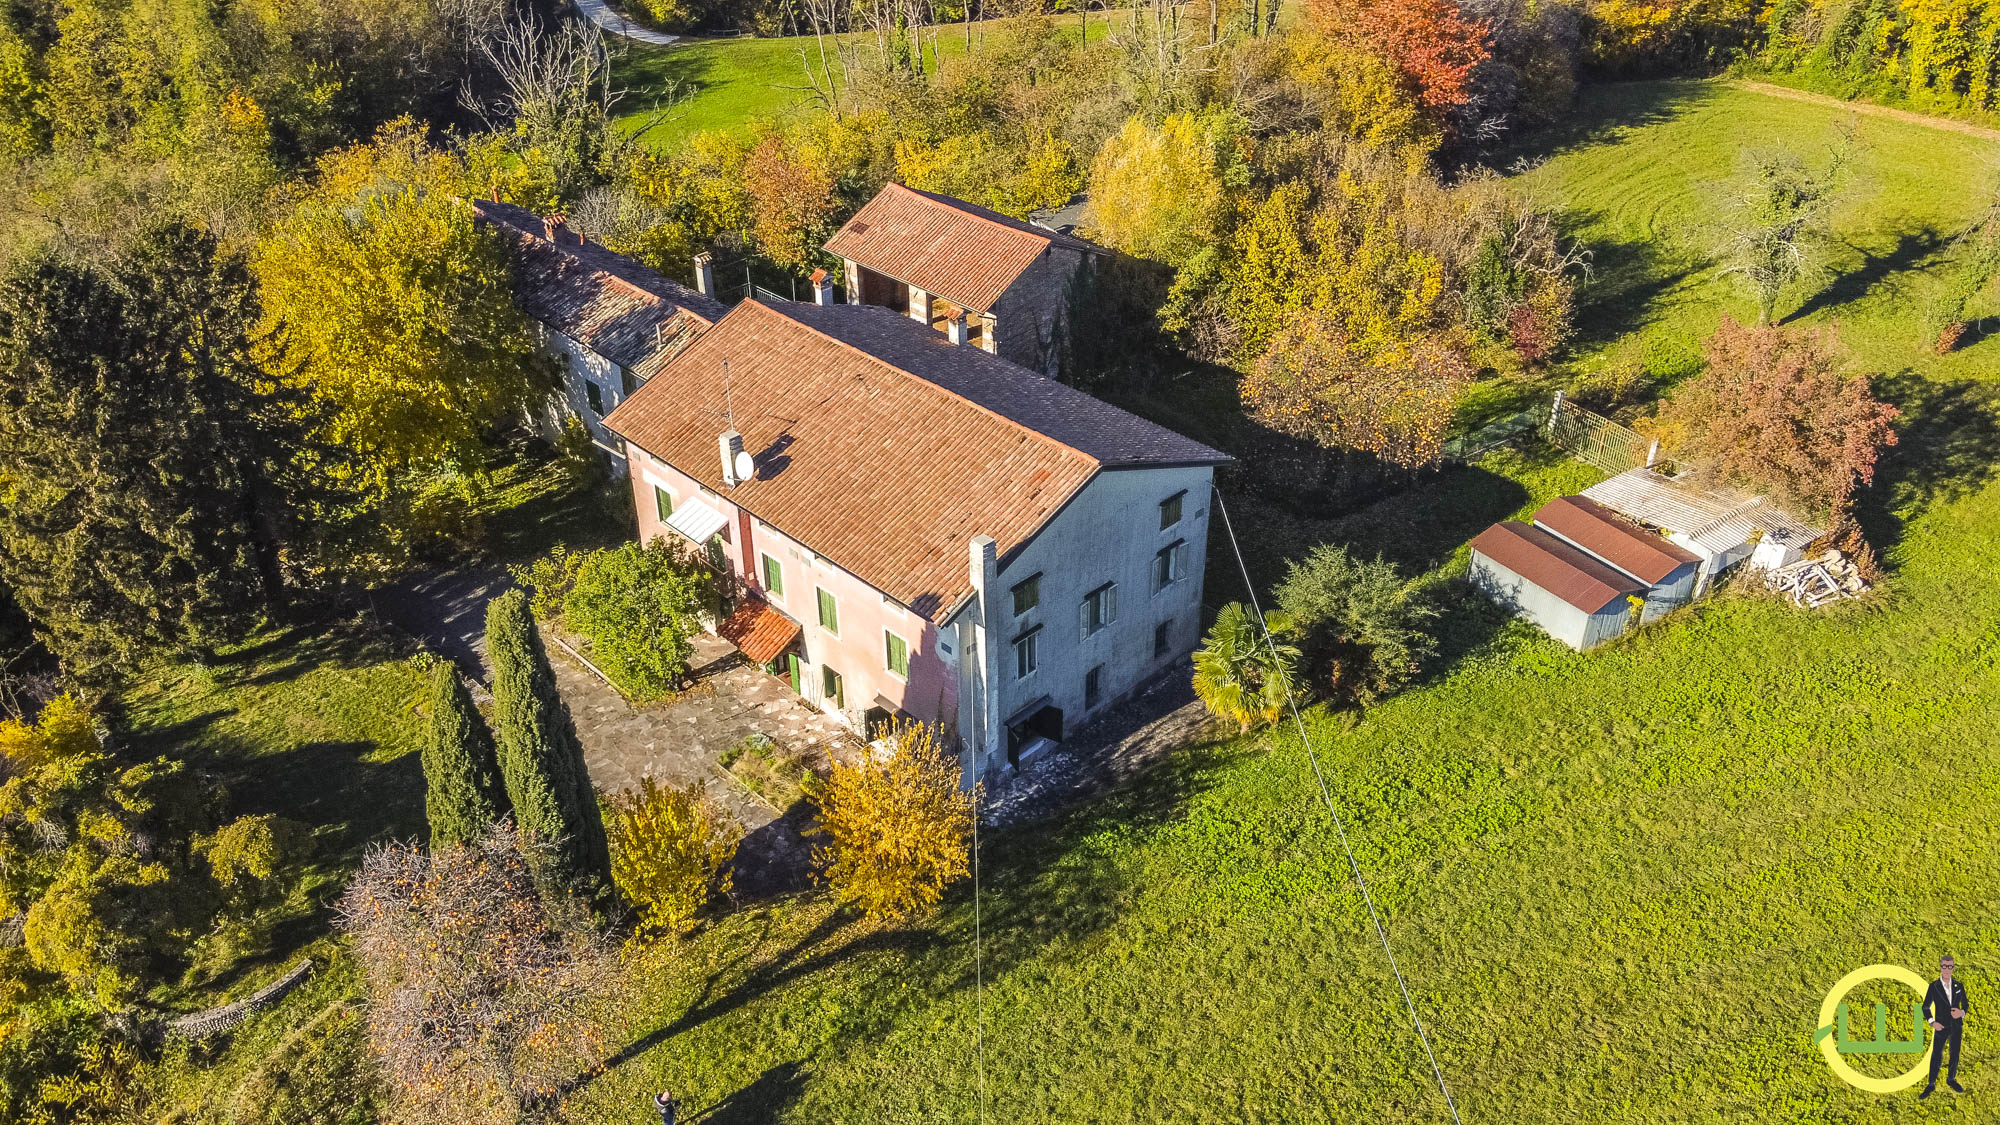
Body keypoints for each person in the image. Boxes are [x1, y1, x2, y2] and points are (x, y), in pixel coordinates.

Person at [1921, 954, 1969, 1098]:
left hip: (1956, 1025)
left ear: (1953, 968)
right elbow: (1925, 1007)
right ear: (1940, 967)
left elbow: (1965, 1004)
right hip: (1941, 1025)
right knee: (1936, 1054)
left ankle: (1951, 1079)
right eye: (1944, 966)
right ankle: (1931, 1084)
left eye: (1950, 966)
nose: (1947, 969)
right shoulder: (1934, 986)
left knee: (1954, 1053)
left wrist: (1961, 1012)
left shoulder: (1959, 986)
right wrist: (1932, 1022)